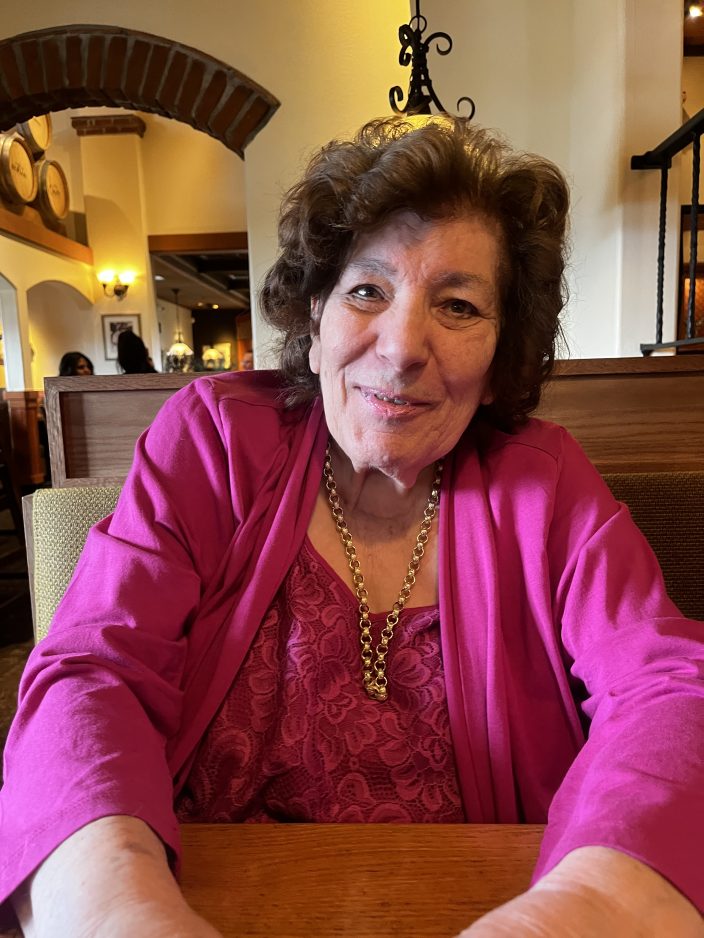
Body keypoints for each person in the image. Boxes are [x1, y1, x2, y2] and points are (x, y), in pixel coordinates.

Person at [1, 117, 704, 937]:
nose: (401, 347)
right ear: (315, 317)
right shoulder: (214, 439)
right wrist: (116, 909)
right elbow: (94, 671)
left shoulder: (543, 483)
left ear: (500, 355)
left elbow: (666, 688)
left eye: (459, 305)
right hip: (197, 902)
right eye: (368, 290)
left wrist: (582, 910)